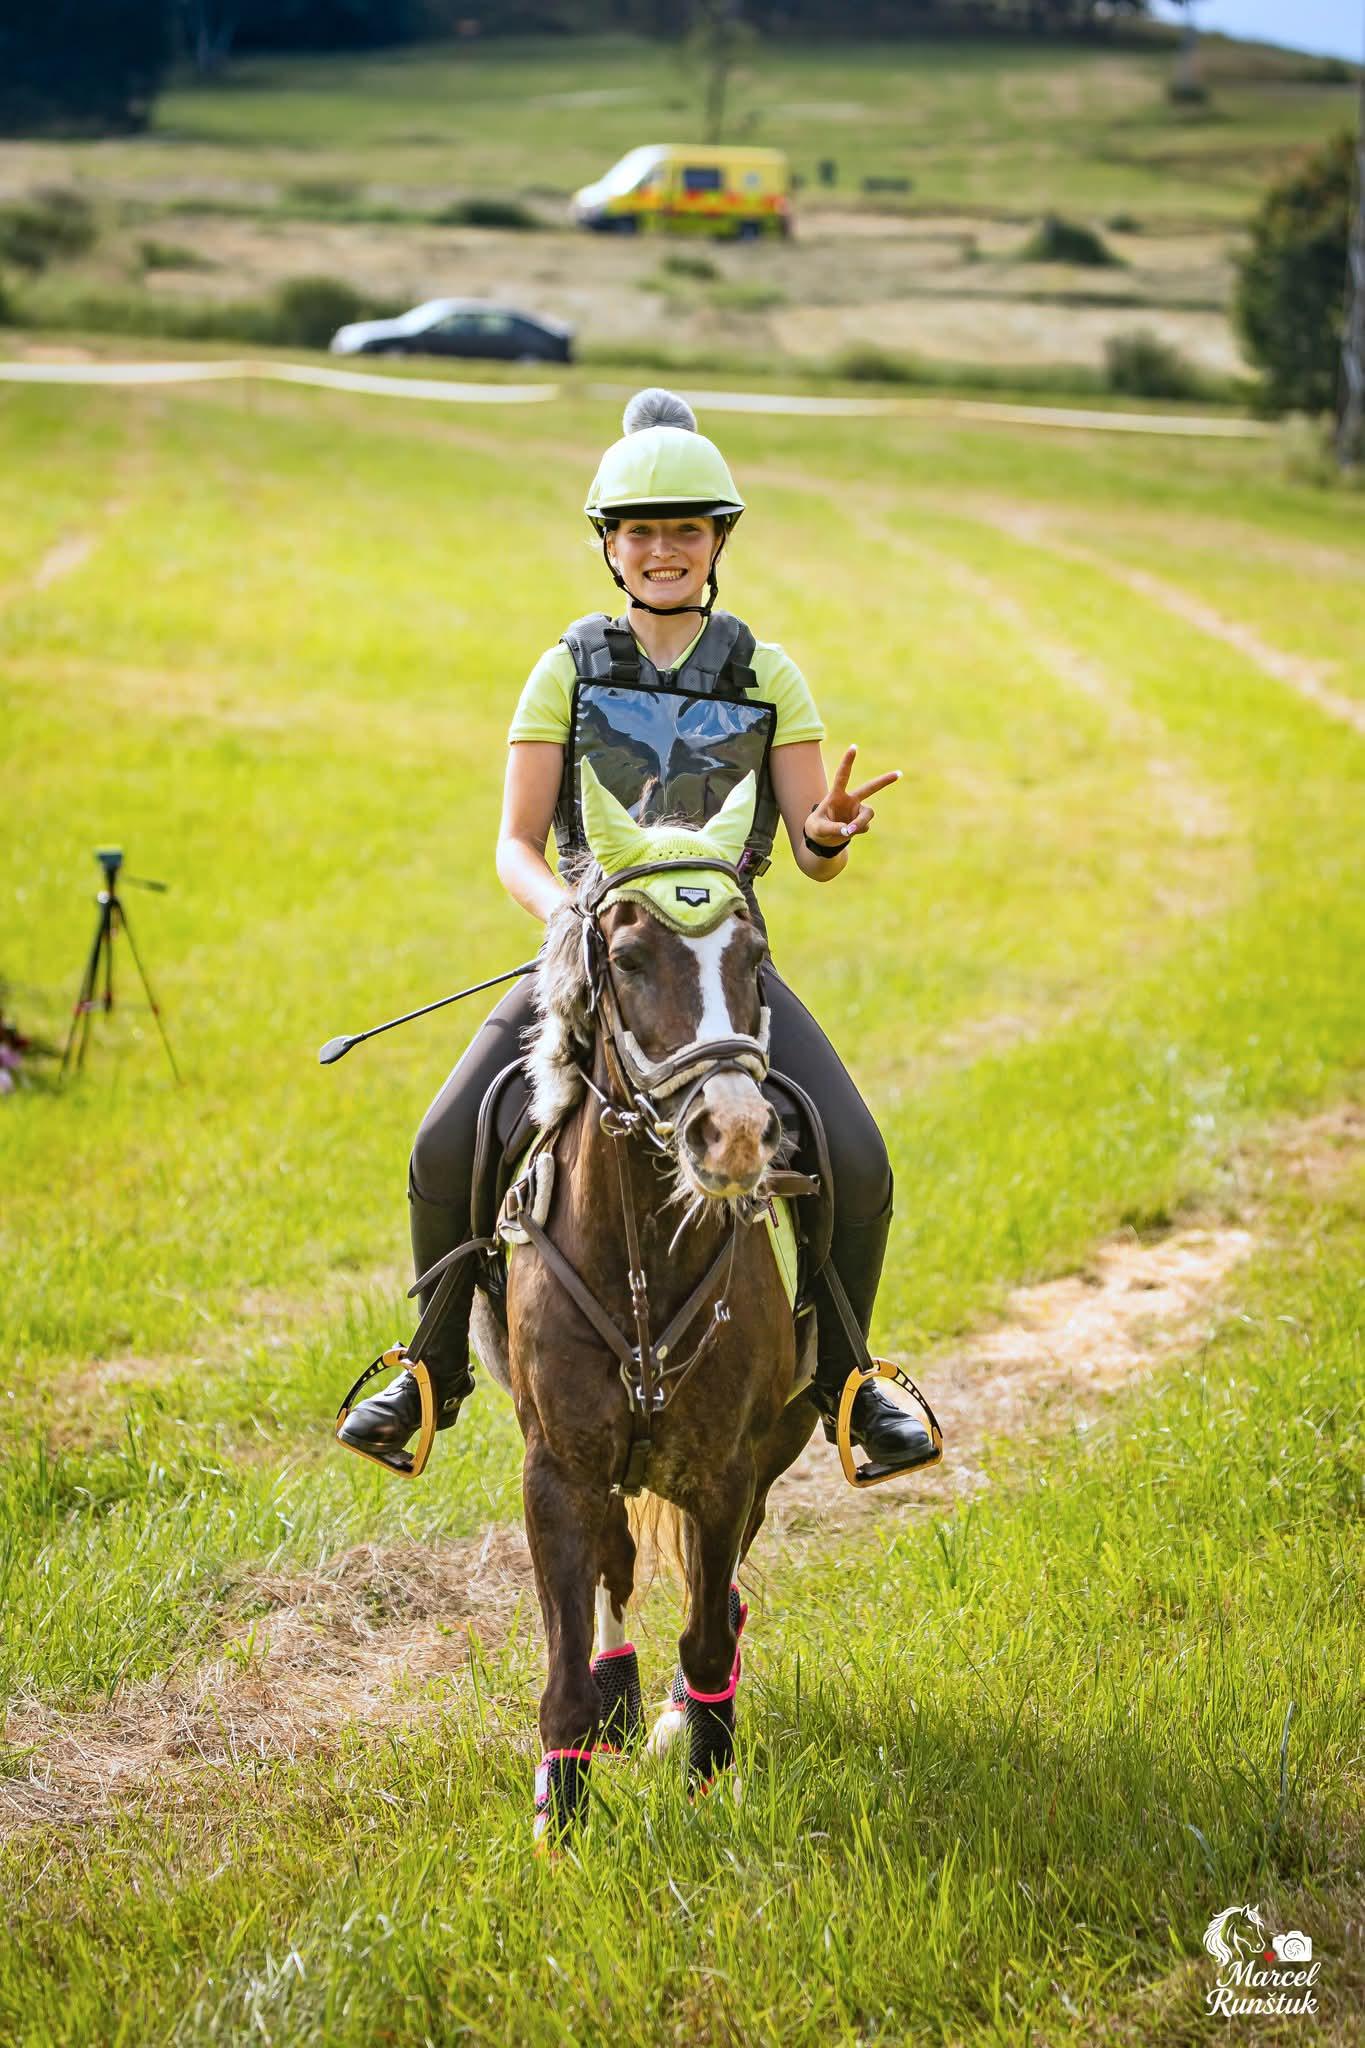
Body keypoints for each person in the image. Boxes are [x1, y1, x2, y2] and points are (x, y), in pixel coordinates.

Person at [338, 389, 931, 1472]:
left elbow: (807, 849)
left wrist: (832, 833)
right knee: (442, 1141)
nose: (664, 550)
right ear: (610, 546)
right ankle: (429, 1372)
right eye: (642, 531)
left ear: (718, 543)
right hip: (596, 956)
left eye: (687, 530)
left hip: (717, 970)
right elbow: (516, 841)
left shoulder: (766, 671)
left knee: (857, 1153)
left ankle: (850, 1381)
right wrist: (564, 911)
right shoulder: (566, 669)